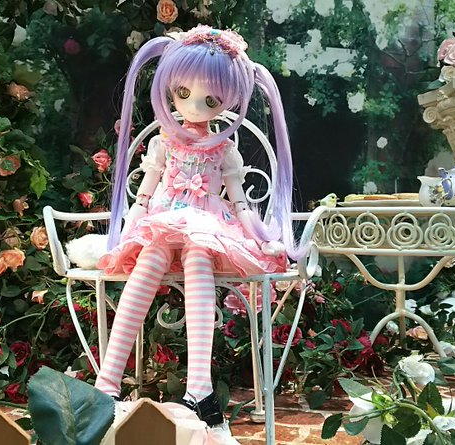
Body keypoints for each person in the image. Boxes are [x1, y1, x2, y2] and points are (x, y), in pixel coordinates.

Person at [94, 25, 301, 437]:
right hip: (163, 221)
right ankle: (107, 382)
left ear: (229, 102)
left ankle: (199, 387)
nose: (193, 106)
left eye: (211, 100)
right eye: (183, 93)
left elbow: (240, 204)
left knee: (198, 257)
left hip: (206, 223)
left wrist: (262, 237)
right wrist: (127, 229)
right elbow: (143, 197)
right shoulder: (164, 143)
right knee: (150, 259)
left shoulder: (223, 148)